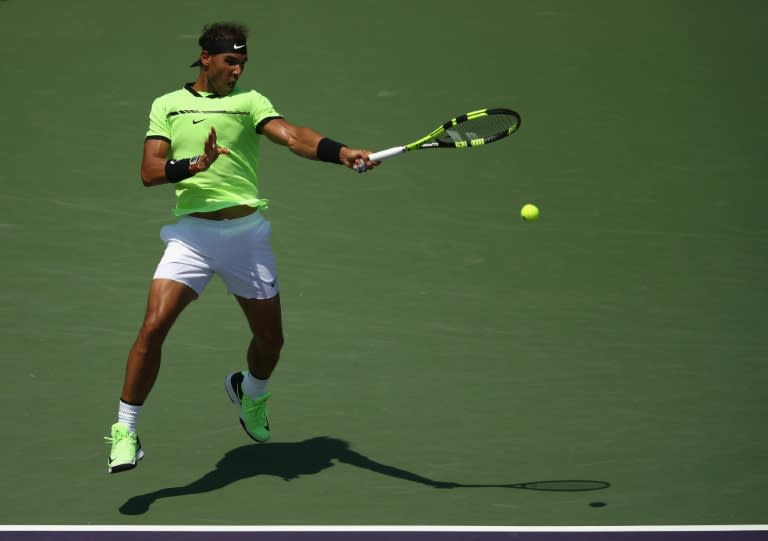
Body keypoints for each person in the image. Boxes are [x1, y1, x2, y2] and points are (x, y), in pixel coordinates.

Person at [105, 21, 378, 474]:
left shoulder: (251, 103)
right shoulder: (167, 105)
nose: (237, 70)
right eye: (230, 61)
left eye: (242, 63)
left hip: (246, 237)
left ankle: (250, 392)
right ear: (205, 58)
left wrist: (341, 151)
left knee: (271, 339)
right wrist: (197, 163)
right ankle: (124, 430)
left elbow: (293, 136)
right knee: (153, 327)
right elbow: (150, 172)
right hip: (191, 237)